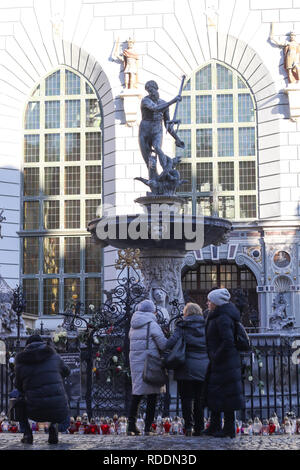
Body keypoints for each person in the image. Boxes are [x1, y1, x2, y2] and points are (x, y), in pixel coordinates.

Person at [14, 334, 70, 445]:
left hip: (34, 410)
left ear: (27, 346)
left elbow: (18, 386)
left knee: (18, 400)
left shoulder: (21, 361)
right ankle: (54, 426)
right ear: (43, 343)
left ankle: (27, 433)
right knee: (59, 393)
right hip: (58, 409)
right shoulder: (54, 356)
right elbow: (67, 371)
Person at [204, 288, 245, 438]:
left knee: (228, 395)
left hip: (225, 362)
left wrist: (216, 356)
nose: (207, 303)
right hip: (220, 361)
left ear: (216, 303)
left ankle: (228, 427)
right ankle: (214, 425)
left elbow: (228, 341)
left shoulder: (223, 317)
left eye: (210, 300)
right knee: (215, 393)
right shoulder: (216, 315)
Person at [165, 302, 209, 436]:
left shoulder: (182, 325)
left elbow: (170, 343)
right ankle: (200, 427)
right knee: (199, 398)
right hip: (203, 366)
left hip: (185, 367)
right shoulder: (206, 325)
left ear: (186, 313)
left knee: (186, 399)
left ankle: (189, 427)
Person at [128, 299, 167, 435]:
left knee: (136, 395)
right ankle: (148, 427)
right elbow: (163, 345)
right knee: (152, 396)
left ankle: (131, 426)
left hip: (136, 363)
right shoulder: (152, 324)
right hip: (150, 364)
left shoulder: (133, 325)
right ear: (152, 312)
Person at [138, 80, 184, 181]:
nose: (151, 92)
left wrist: (177, 139)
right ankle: (154, 182)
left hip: (157, 129)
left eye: (152, 89)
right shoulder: (145, 101)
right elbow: (156, 109)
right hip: (145, 131)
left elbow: (167, 125)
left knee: (158, 148)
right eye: (149, 90)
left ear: (156, 88)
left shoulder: (164, 103)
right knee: (149, 162)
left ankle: (166, 172)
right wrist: (173, 101)